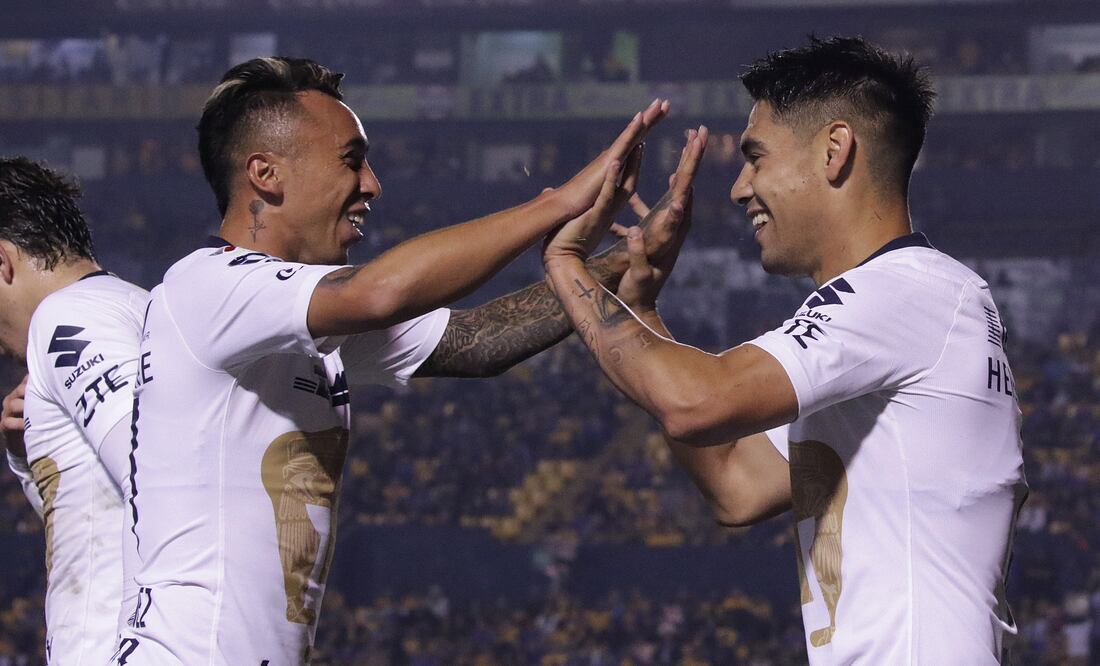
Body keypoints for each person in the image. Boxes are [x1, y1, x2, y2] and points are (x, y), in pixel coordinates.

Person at [115, 56, 701, 665]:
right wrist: (557, 204)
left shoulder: (302, 314)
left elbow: (477, 343)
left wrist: (625, 258)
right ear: (265, 173)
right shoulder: (205, 285)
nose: (371, 184)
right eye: (351, 160)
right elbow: (379, 292)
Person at [543, 36, 1026, 664]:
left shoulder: (909, 293)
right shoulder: (902, 315)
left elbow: (695, 403)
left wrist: (565, 261)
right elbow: (735, 484)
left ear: (835, 150)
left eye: (756, 158)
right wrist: (645, 307)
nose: (740, 188)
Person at [0, 156, 147, 664]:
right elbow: (100, 517)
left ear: (2, 261)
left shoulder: (68, 318)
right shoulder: (135, 306)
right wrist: (31, 455)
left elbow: (154, 476)